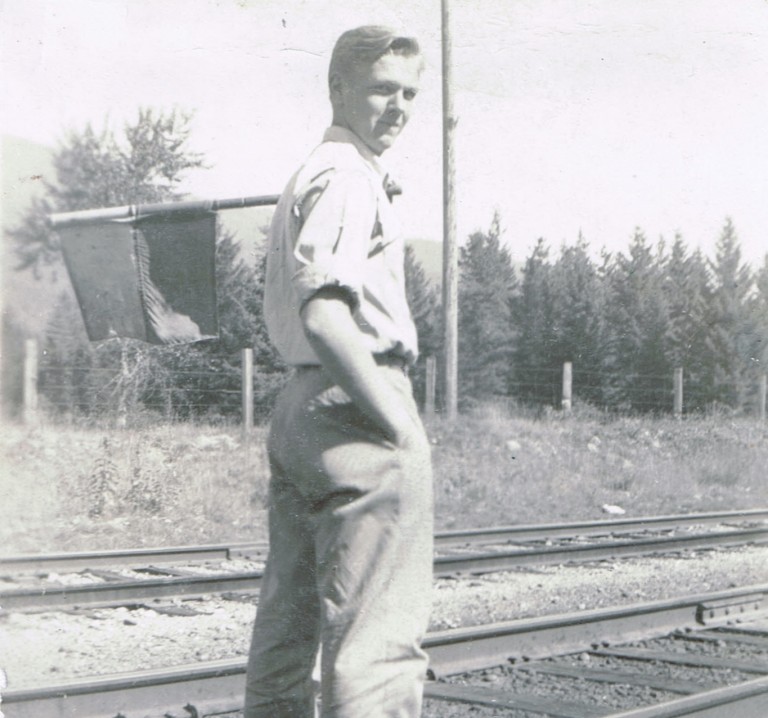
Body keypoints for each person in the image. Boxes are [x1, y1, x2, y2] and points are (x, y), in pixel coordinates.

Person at [244, 25, 434, 718]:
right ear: (338, 88)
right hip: (357, 399)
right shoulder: (351, 177)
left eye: (411, 93)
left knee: (289, 621)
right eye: (383, 88)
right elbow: (326, 314)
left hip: (301, 405)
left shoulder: (313, 172)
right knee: (376, 639)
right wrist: (397, 426)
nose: (399, 107)